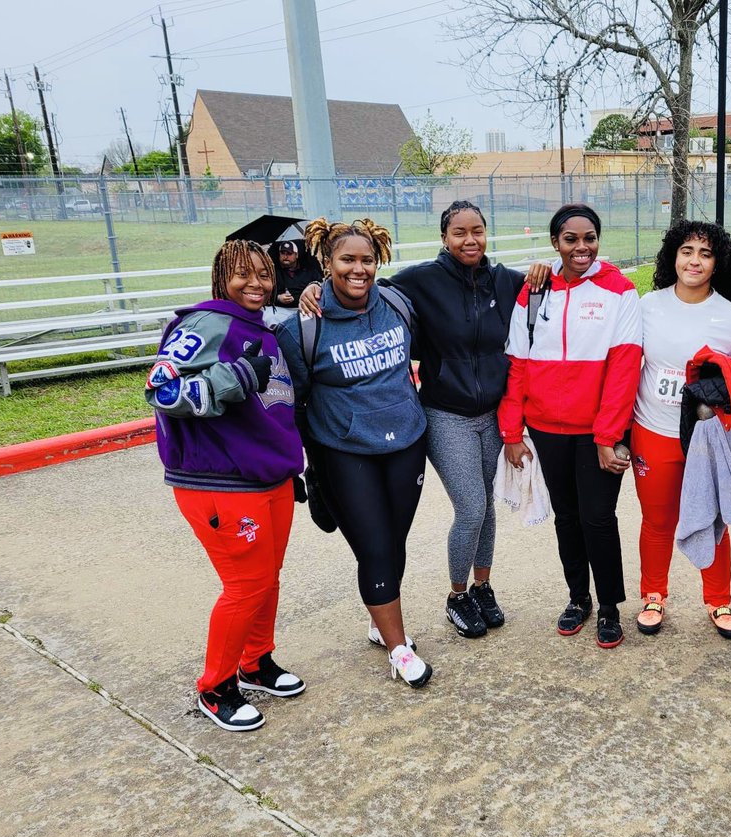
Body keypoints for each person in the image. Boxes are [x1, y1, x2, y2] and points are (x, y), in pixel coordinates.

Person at [297, 202, 549, 640]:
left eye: (478, 230)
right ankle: (456, 596)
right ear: (444, 238)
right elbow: (361, 286)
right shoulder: (419, 282)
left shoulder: (504, 281)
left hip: (492, 414)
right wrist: (315, 288)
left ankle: (482, 586)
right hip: (444, 414)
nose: (469, 240)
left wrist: (544, 266)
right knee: (470, 507)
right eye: (459, 232)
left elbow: (555, 281)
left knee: (486, 507)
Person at [145, 239, 305, 732]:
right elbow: (162, 389)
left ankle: (255, 662)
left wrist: (289, 465)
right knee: (245, 585)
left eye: (263, 273)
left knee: (268, 578)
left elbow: (272, 407)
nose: (256, 283)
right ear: (221, 277)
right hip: (219, 481)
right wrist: (235, 375)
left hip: (267, 477)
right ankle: (215, 687)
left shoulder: (262, 329)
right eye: (243, 274)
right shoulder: (205, 325)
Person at [277, 218, 433, 688]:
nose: (358, 269)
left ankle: (380, 620)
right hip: (345, 451)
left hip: (406, 440)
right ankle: (399, 649)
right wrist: (306, 465)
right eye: (347, 260)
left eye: (367, 259)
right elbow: (297, 403)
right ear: (326, 263)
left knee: (395, 541)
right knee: (375, 546)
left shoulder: (396, 303)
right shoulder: (301, 329)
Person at [499, 203, 642, 649]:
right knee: (566, 518)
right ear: (555, 243)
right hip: (545, 430)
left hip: (597, 433)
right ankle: (578, 598)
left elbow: (624, 369)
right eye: (570, 239)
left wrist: (607, 437)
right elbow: (517, 367)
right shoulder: (533, 292)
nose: (581, 247)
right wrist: (511, 433)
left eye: (589, 238)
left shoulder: (620, 291)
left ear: (598, 240)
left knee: (598, 518)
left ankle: (610, 608)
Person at [630, 221, 731, 639]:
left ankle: (719, 600)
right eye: (687, 250)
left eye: (705, 254)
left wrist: (721, 390)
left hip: (708, 437)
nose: (695, 260)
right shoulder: (646, 305)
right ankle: (654, 594)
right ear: (673, 255)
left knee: (714, 517)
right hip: (653, 430)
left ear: (717, 263)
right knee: (657, 519)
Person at [269, 240, 322, 310]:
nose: (285, 256)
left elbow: (321, 286)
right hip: (279, 309)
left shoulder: (310, 271)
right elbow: (263, 294)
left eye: (289, 253)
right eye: (282, 253)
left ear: (296, 255)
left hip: (307, 308)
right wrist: (278, 298)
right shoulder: (272, 272)